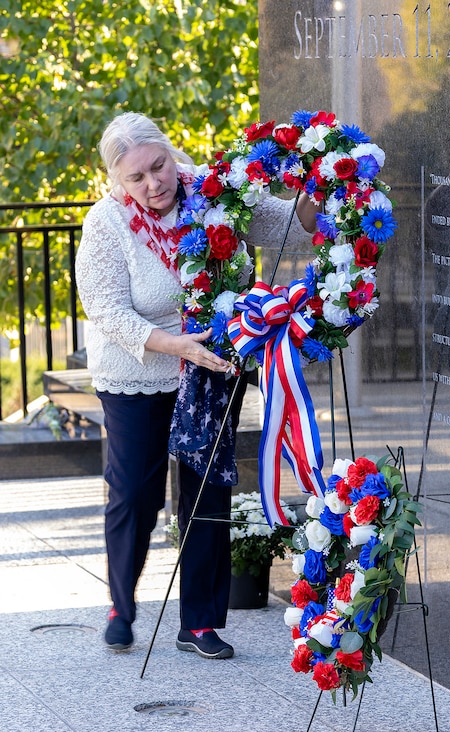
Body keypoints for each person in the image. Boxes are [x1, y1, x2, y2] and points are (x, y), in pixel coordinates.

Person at [75, 112, 317, 658]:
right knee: (136, 489)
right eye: (136, 177)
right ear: (118, 181)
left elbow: (288, 222)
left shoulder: (214, 193)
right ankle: (121, 603)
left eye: (158, 167)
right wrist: (173, 344)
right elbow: (106, 310)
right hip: (136, 369)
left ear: (171, 153)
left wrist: (319, 179)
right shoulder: (106, 224)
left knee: (208, 486)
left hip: (210, 365)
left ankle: (201, 623)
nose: (153, 183)